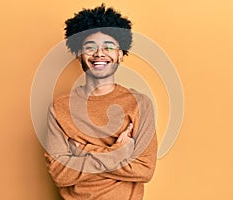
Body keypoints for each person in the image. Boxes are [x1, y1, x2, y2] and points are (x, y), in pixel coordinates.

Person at [44, 4, 157, 200]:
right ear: (79, 53)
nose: (99, 54)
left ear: (120, 55)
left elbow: (144, 170)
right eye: (90, 47)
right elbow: (60, 174)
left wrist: (81, 153)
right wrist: (118, 151)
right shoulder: (59, 108)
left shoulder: (140, 104)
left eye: (109, 47)